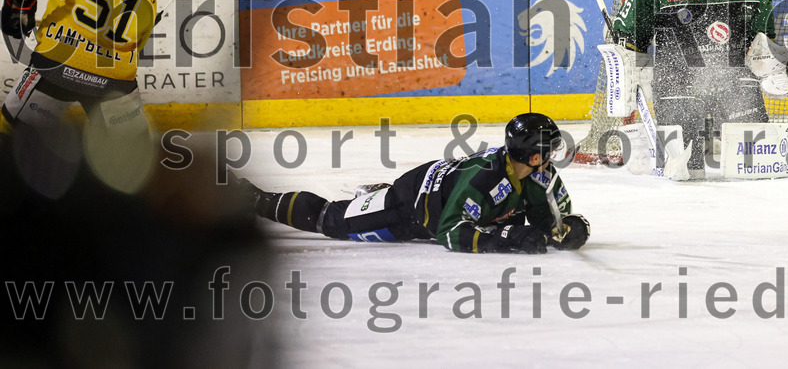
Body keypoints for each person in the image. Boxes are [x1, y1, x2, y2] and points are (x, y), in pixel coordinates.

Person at [610, 0, 788, 179]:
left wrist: (775, 66)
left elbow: (762, 42)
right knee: (686, 168)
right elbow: (629, 35)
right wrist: (631, 67)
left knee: (754, 161)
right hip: (676, 79)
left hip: (734, 78)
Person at [236, 113, 590, 254]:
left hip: (450, 197)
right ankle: (252, 199)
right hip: (411, 207)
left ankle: (373, 194)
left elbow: (550, 221)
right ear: (531, 155)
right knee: (330, 220)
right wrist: (507, 240)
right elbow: (450, 233)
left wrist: (566, 228)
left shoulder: (540, 174)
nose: (555, 154)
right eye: (550, 148)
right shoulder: (483, 181)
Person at [1, 0, 158, 157]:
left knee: (10, 133)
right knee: (136, 157)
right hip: (114, 78)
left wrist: (20, 1)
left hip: (58, 63)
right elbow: (139, 43)